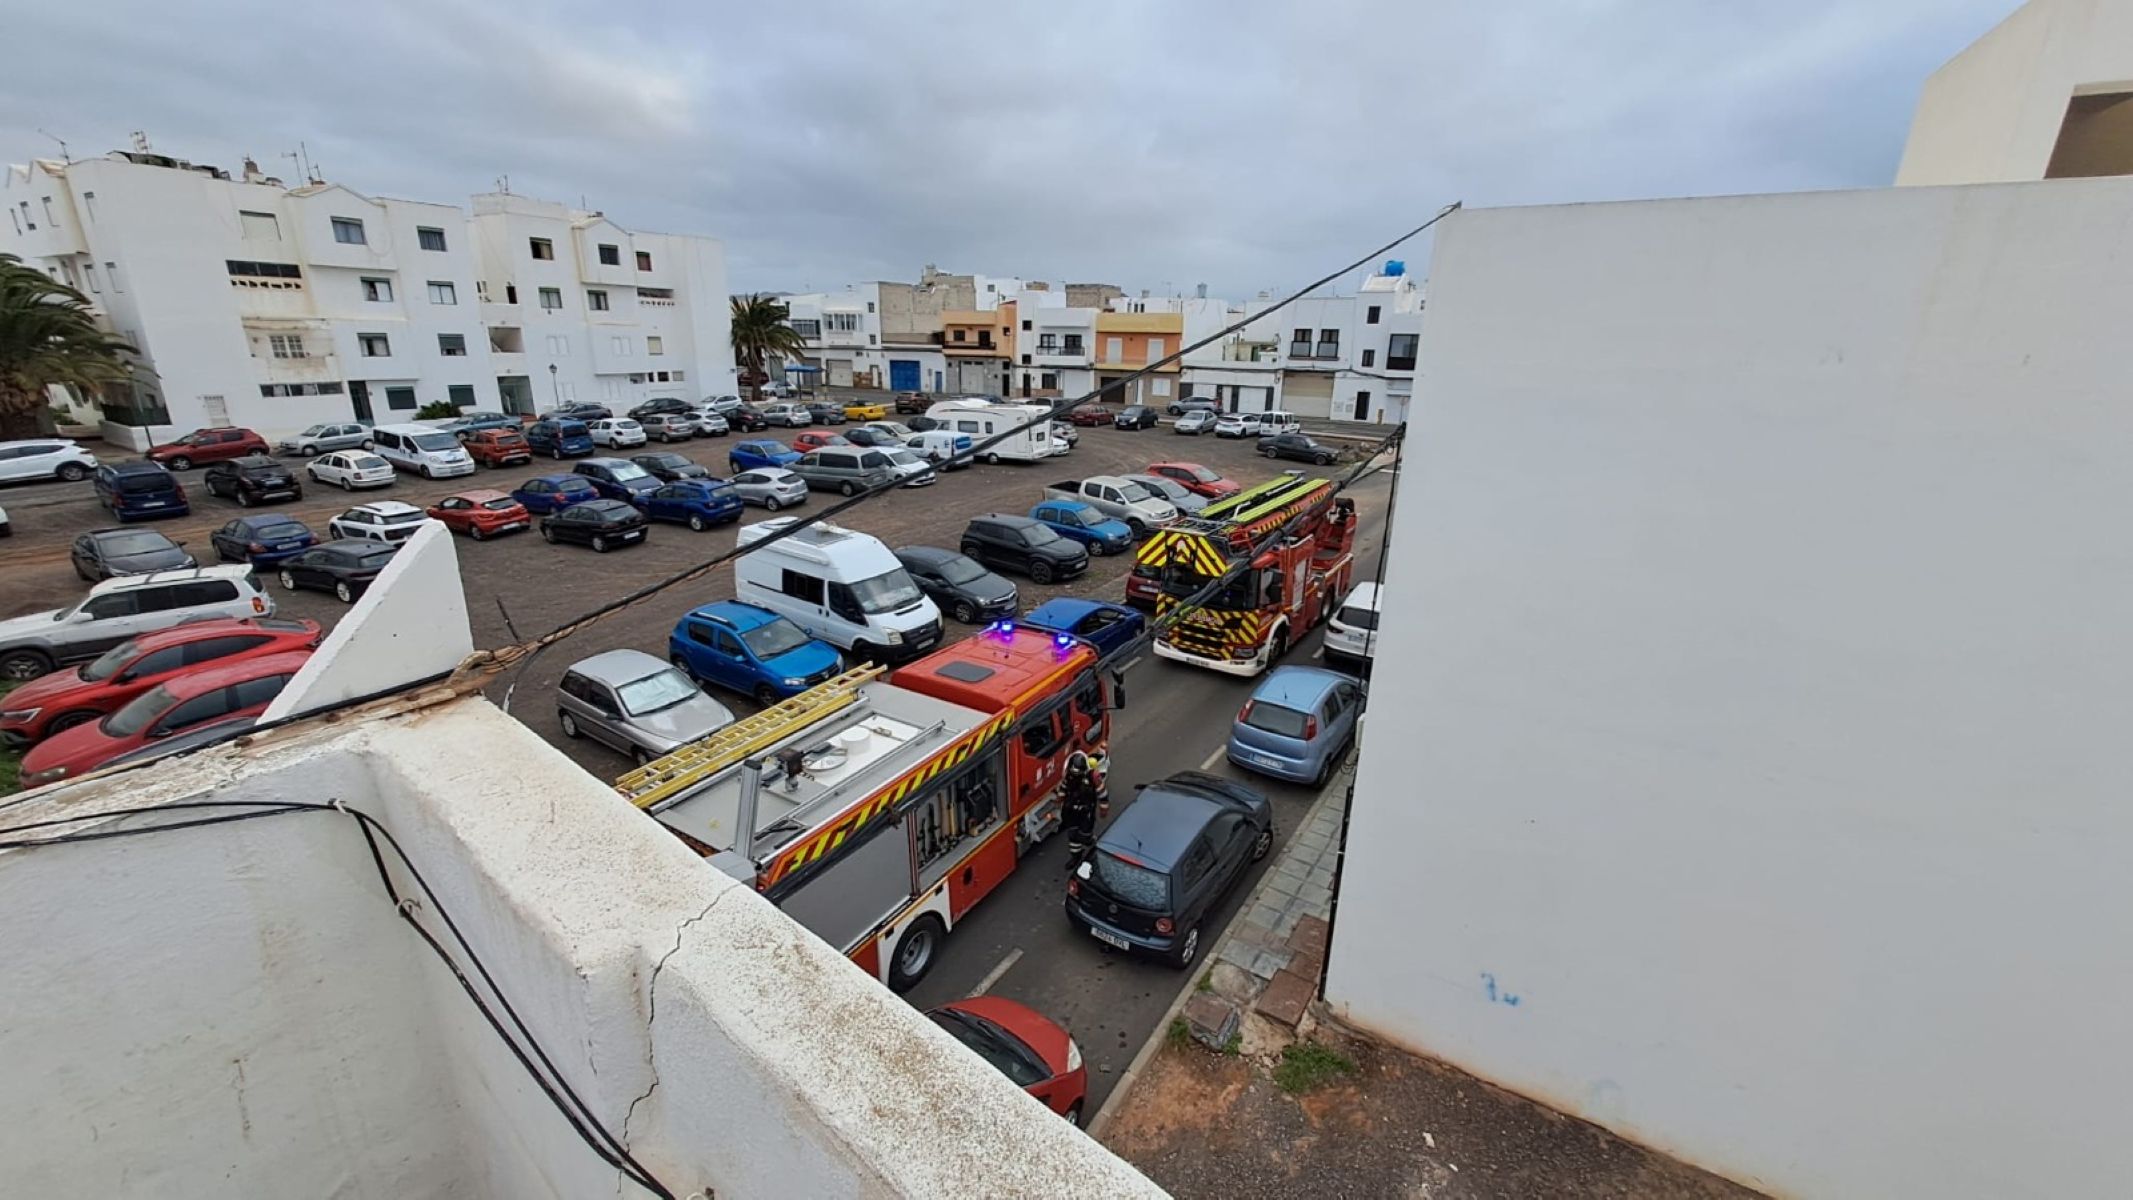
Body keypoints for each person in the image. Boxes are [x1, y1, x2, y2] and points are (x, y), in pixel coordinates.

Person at [1061, 750, 1101, 858]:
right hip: (1072, 810)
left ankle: (1091, 841)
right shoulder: (1069, 776)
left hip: (1086, 810)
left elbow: (1101, 790)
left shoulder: (1091, 776)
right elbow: (1064, 787)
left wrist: (1104, 805)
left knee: (1084, 833)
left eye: (1077, 773)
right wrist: (1060, 798)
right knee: (1072, 834)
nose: (1075, 775)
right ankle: (1076, 856)